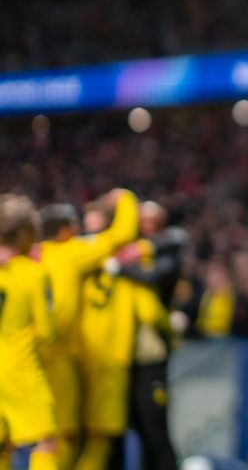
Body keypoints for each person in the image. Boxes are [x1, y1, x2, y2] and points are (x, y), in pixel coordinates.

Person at [36, 191, 140, 470]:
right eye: (74, 226)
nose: (78, 230)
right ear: (63, 232)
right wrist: (126, 199)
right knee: (72, 435)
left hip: (34, 354)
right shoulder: (72, 253)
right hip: (63, 354)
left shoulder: (30, 257)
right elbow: (123, 233)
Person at [115, 201, 185, 470]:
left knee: (153, 425)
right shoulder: (128, 249)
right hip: (123, 352)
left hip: (152, 350)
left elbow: (154, 274)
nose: (144, 226)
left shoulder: (166, 251)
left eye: (150, 221)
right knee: (128, 426)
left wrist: (120, 266)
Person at [0, 194, 58, 470]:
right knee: (45, 442)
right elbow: (47, 331)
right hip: (21, 370)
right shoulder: (33, 273)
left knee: (3, 445)